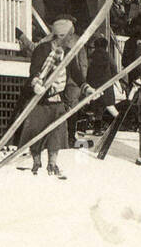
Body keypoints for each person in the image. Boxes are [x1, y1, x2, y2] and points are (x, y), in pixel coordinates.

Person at [19, 16, 91, 178]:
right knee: (36, 131)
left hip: (57, 97)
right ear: (61, 36)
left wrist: (86, 88)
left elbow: (75, 73)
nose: (71, 39)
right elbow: (34, 70)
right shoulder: (42, 50)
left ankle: (52, 163)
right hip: (39, 98)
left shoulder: (67, 53)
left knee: (57, 132)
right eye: (69, 36)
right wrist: (36, 83)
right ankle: (36, 162)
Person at [85, 36, 118, 129]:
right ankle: (119, 122)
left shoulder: (91, 56)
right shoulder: (107, 56)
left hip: (94, 85)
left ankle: (97, 128)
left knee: (97, 109)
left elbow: (88, 70)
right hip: (106, 84)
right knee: (109, 106)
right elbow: (114, 68)